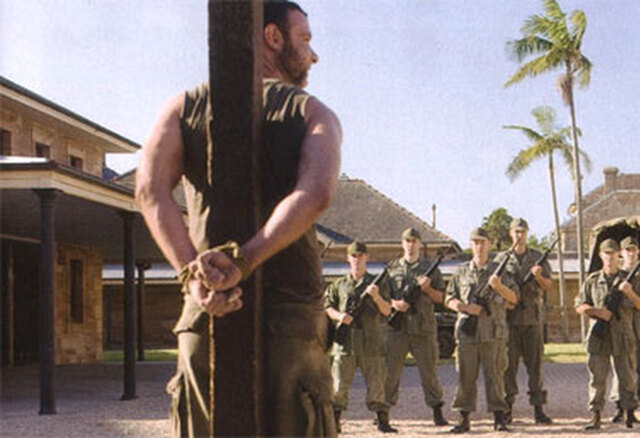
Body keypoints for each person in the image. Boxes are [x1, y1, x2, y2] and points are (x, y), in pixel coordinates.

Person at [135, 2, 342, 436]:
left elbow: (150, 191)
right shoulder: (313, 113)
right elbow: (316, 193)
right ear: (273, 37)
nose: (314, 55)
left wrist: (194, 276)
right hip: (289, 316)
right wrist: (245, 260)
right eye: (305, 39)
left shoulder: (181, 109)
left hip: (207, 305)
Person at [445, 228, 519, 433]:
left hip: (493, 332)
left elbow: (514, 299)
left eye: (482, 242)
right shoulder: (461, 271)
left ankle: (499, 418)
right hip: (467, 333)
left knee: (495, 376)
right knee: (465, 376)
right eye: (475, 242)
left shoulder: (500, 271)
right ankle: (463, 418)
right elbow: (449, 298)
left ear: (489, 244)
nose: (479, 246)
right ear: (471, 245)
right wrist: (465, 308)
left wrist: (499, 287)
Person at [575, 239, 640, 430]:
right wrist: (598, 312)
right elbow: (579, 305)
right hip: (599, 337)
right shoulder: (592, 280)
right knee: (597, 379)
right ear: (601, 255)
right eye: (606, 253)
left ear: (619, 255)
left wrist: (630, 293)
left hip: (623, 335)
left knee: (627, 377)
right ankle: (595, 416)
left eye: (613, 253)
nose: (610, 257)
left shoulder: (629, 279)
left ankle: (629, 414)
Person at [325, 242, 396, 433]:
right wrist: (340, 316)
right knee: (339, 384)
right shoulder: (339, 285)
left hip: (371, 341)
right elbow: (327, 307)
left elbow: (387, 310)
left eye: (360, 255)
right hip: (345, 342)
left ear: (367, 257)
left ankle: (382, 420)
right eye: (353, 256)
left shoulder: (378, 284)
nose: (357, 259)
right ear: (348, 258)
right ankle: (335, 421)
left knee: (376, 383)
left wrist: (376, 297)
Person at [383, 228, 449, 426]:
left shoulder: (431, 269)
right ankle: (383, 413)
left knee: (429, 373)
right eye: (407, 241)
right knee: (390, 373)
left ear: (420, 244)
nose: (410, 245)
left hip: (423, 328)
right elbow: (383, 297)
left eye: (414, 241)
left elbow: (442, 298)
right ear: (402, 244)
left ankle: (437, 410)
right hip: (397, 329)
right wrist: (395, 304)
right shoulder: (392, 268)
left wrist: (428, 289)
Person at [500, 218, 554, 424]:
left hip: (532, 320)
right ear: (510, 233)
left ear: (527, 233)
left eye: (522, 231)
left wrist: (538, 276)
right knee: (508, 367)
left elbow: (548, 285)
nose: (519, 235)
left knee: (535, 366)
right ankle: (507, 409)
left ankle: (538, 410)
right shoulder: (502, 259)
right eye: (516, 231)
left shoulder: (537, 257)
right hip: (509, 320)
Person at [609, 237, 640, 423]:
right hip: (624, 326)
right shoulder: (616, 274)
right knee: (622, 368)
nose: (631, 253)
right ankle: (620, 407)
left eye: (634, 250)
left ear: (638, 252)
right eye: (627, 250)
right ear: (621, 253)